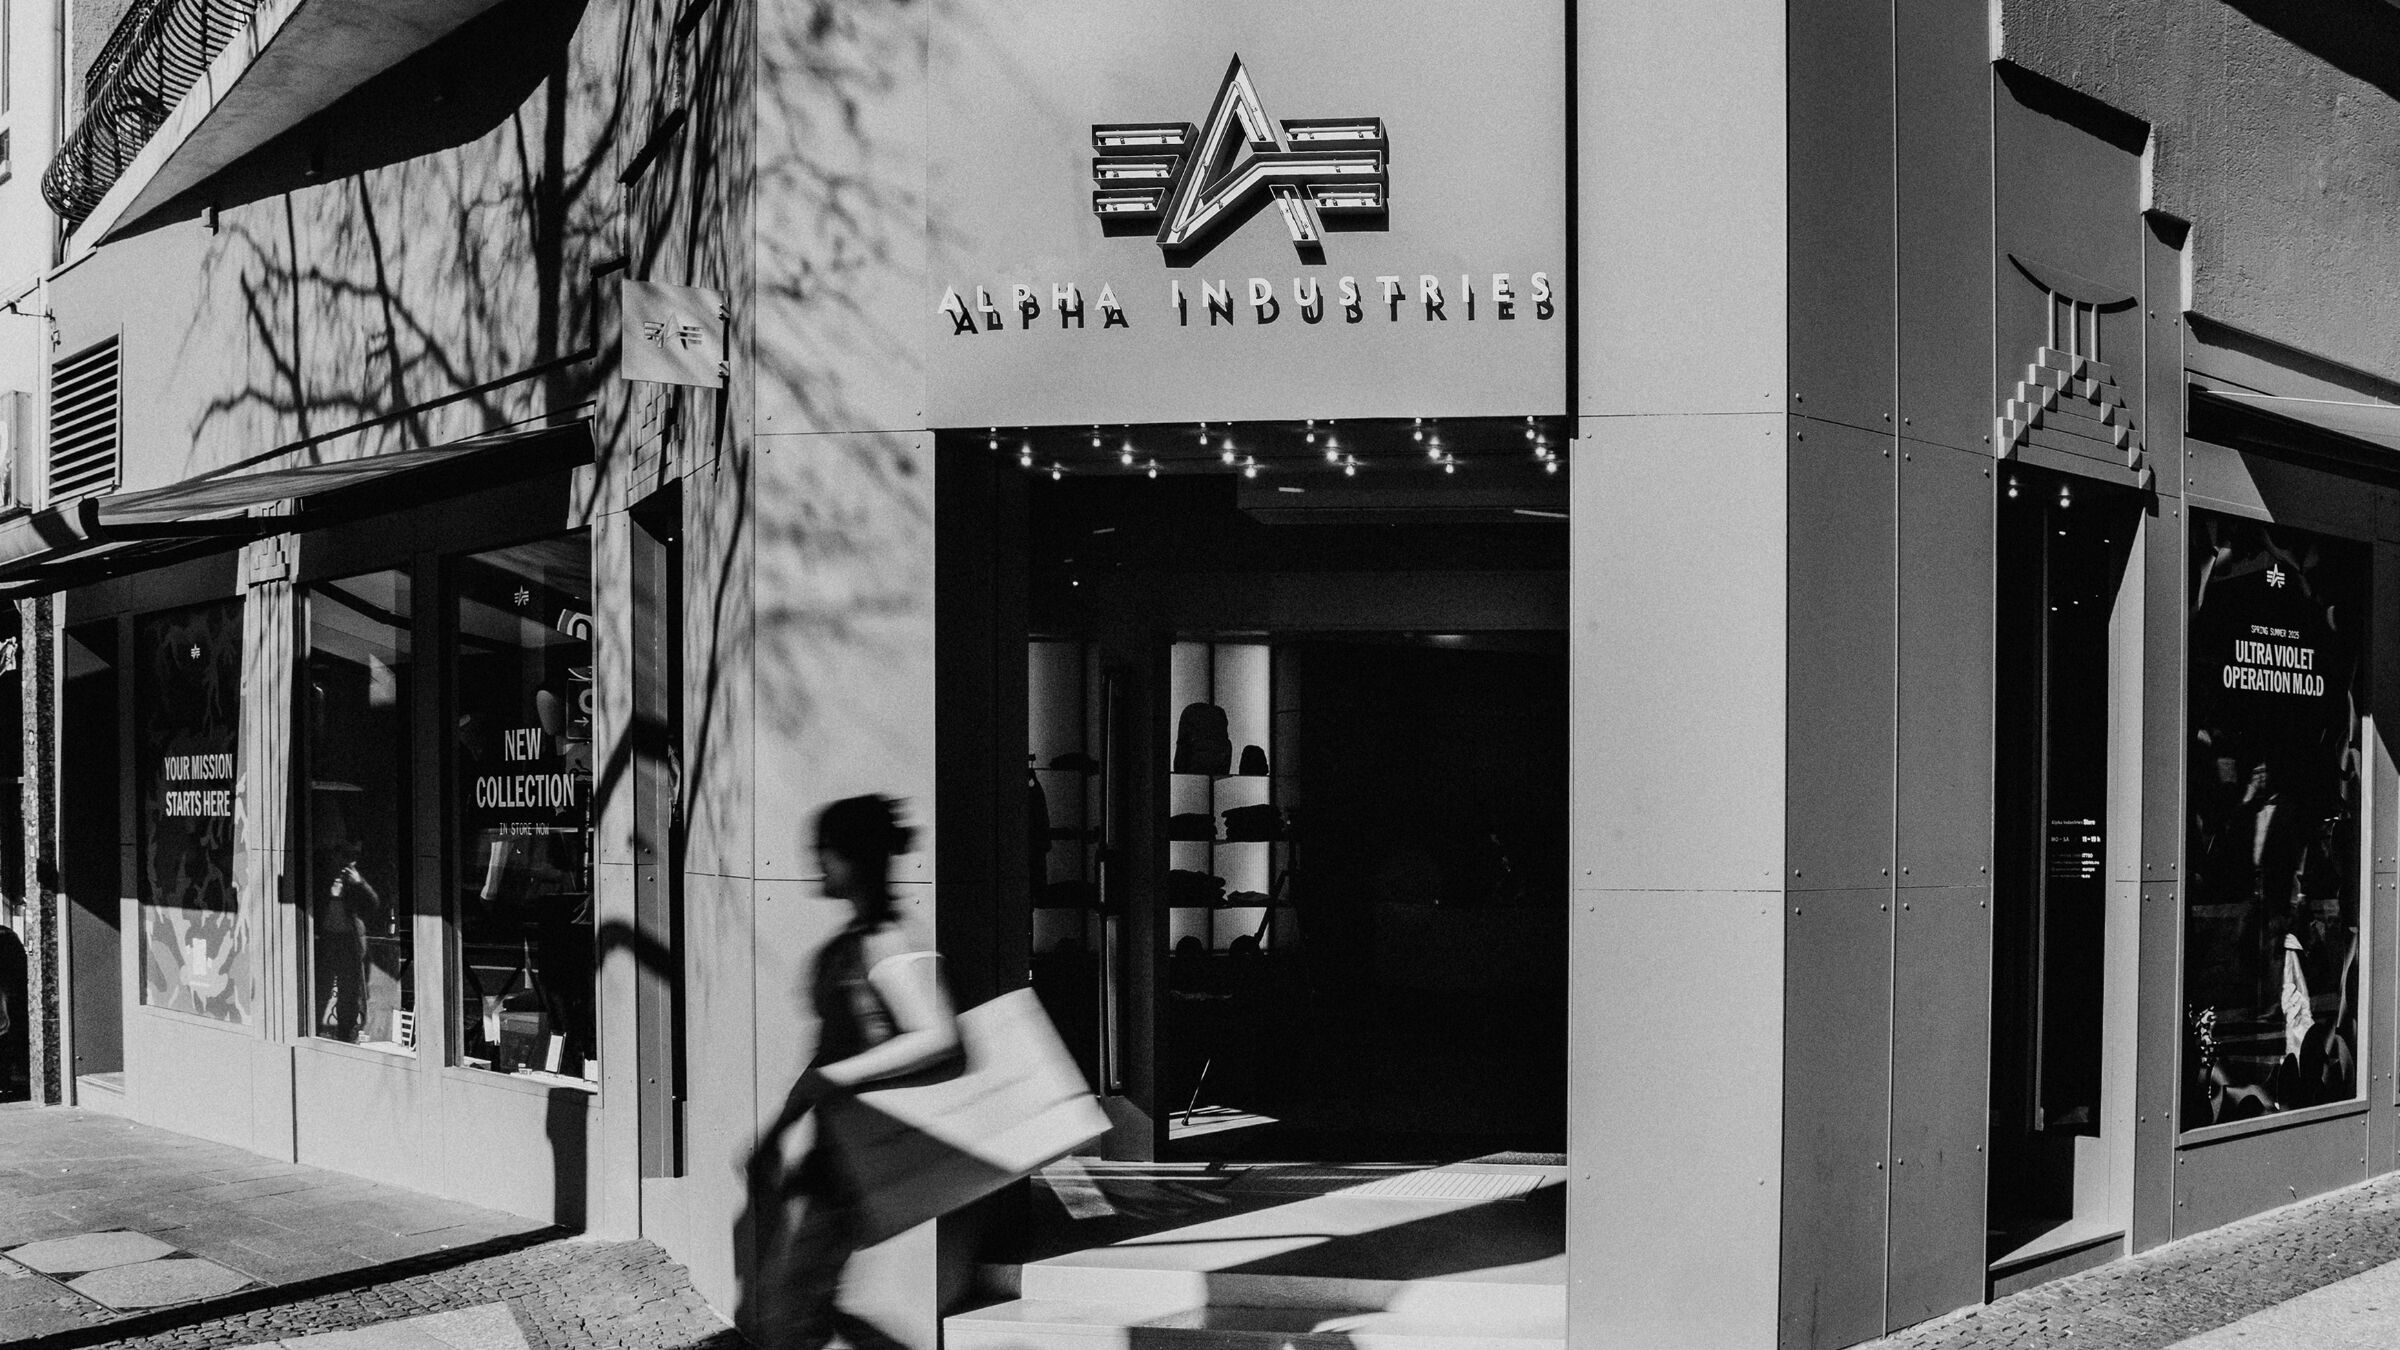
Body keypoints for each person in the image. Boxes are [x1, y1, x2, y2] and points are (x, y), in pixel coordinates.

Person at [742, 795, 960, 1350]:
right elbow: (825, 1053)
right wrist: (779, 1130)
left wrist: (837, 1079)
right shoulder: (855, 941)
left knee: (791, 1315)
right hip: (836, 1149)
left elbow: (937, 1035)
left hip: (862, 1152)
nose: (815, 860)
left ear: (855, 857)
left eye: (825, 850)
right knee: (800, 1308)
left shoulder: (890, 939)